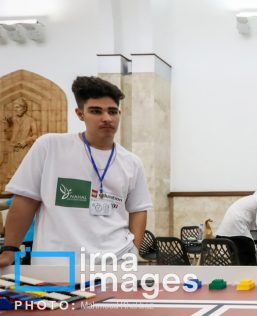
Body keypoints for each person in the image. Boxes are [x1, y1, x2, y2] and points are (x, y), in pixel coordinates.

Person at [0, 76, 152, 267]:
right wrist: (10, 250)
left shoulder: (132, 162)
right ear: (80, 114)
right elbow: (25, 200)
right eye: (96, 111)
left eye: (112, 111)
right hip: (58, 263)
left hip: (117, 261)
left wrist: (133, 251)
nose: (106, 118)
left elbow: (138, 209)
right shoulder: (50, 146)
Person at [0, 196, 35, 264]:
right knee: (28, 262)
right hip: (31, 240)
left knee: (21, 263)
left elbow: (2, 205)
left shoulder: (21, 196)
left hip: (21, 239)